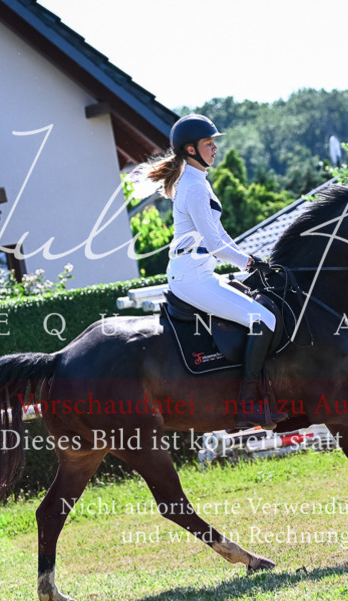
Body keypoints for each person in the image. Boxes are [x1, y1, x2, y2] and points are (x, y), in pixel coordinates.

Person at [136, 114, 286, 429]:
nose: (215, 148)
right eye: (209, 143)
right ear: (190, 149)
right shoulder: (193, 187)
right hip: (192, 277)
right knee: (264, 319)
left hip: (198, 273)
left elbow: (220, 235)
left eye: (214, 142)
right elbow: (216, 245)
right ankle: (247, 405)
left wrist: (251, 258)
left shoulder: (197, 182)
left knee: (260, 310)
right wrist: (247, 263)